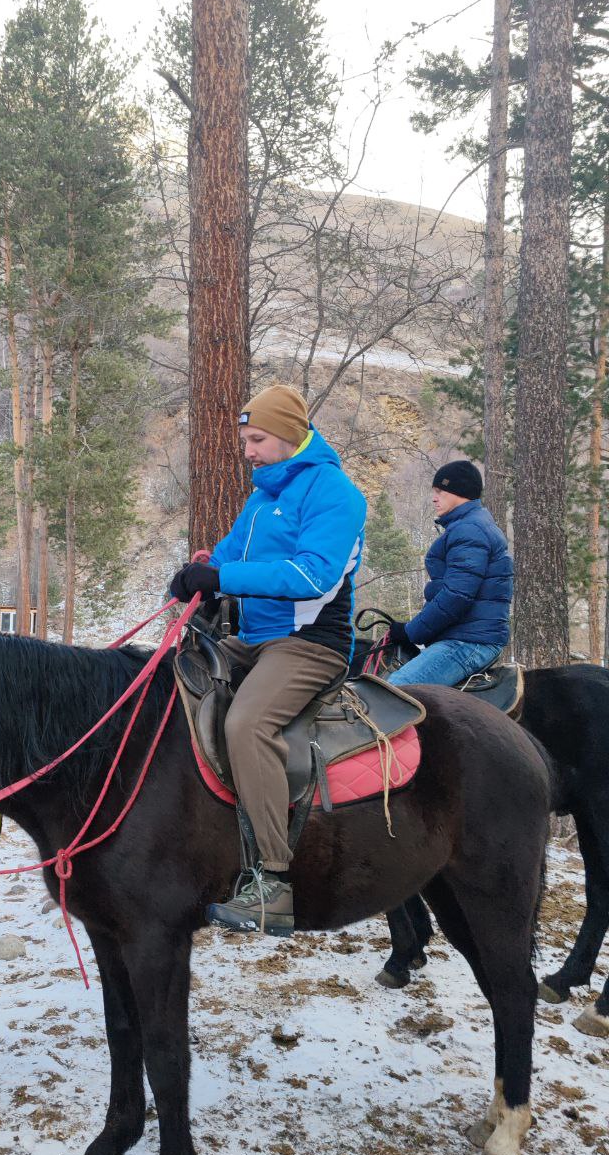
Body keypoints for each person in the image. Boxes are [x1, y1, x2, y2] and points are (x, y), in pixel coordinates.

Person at [169, 384, 367, 936]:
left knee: (248, 723)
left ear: (287, 434)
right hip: (252, 640)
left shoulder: (336, 493)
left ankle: (274, 880)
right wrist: (201, 571)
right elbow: (231, 553)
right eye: (245, 440)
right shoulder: (263, 496)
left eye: (256, 439)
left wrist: (223, 578)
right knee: (171, 683)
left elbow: (312, 574)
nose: (248, 451)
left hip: (309, 645)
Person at [385, 461, 512, 689]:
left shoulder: (469, 529)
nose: (434, 498)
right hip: (466, 636)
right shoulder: (470, 525)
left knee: (392, 693)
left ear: (460, 492)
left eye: (440, 491)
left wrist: (410, 631)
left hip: (468, 642)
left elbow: (456, 596)